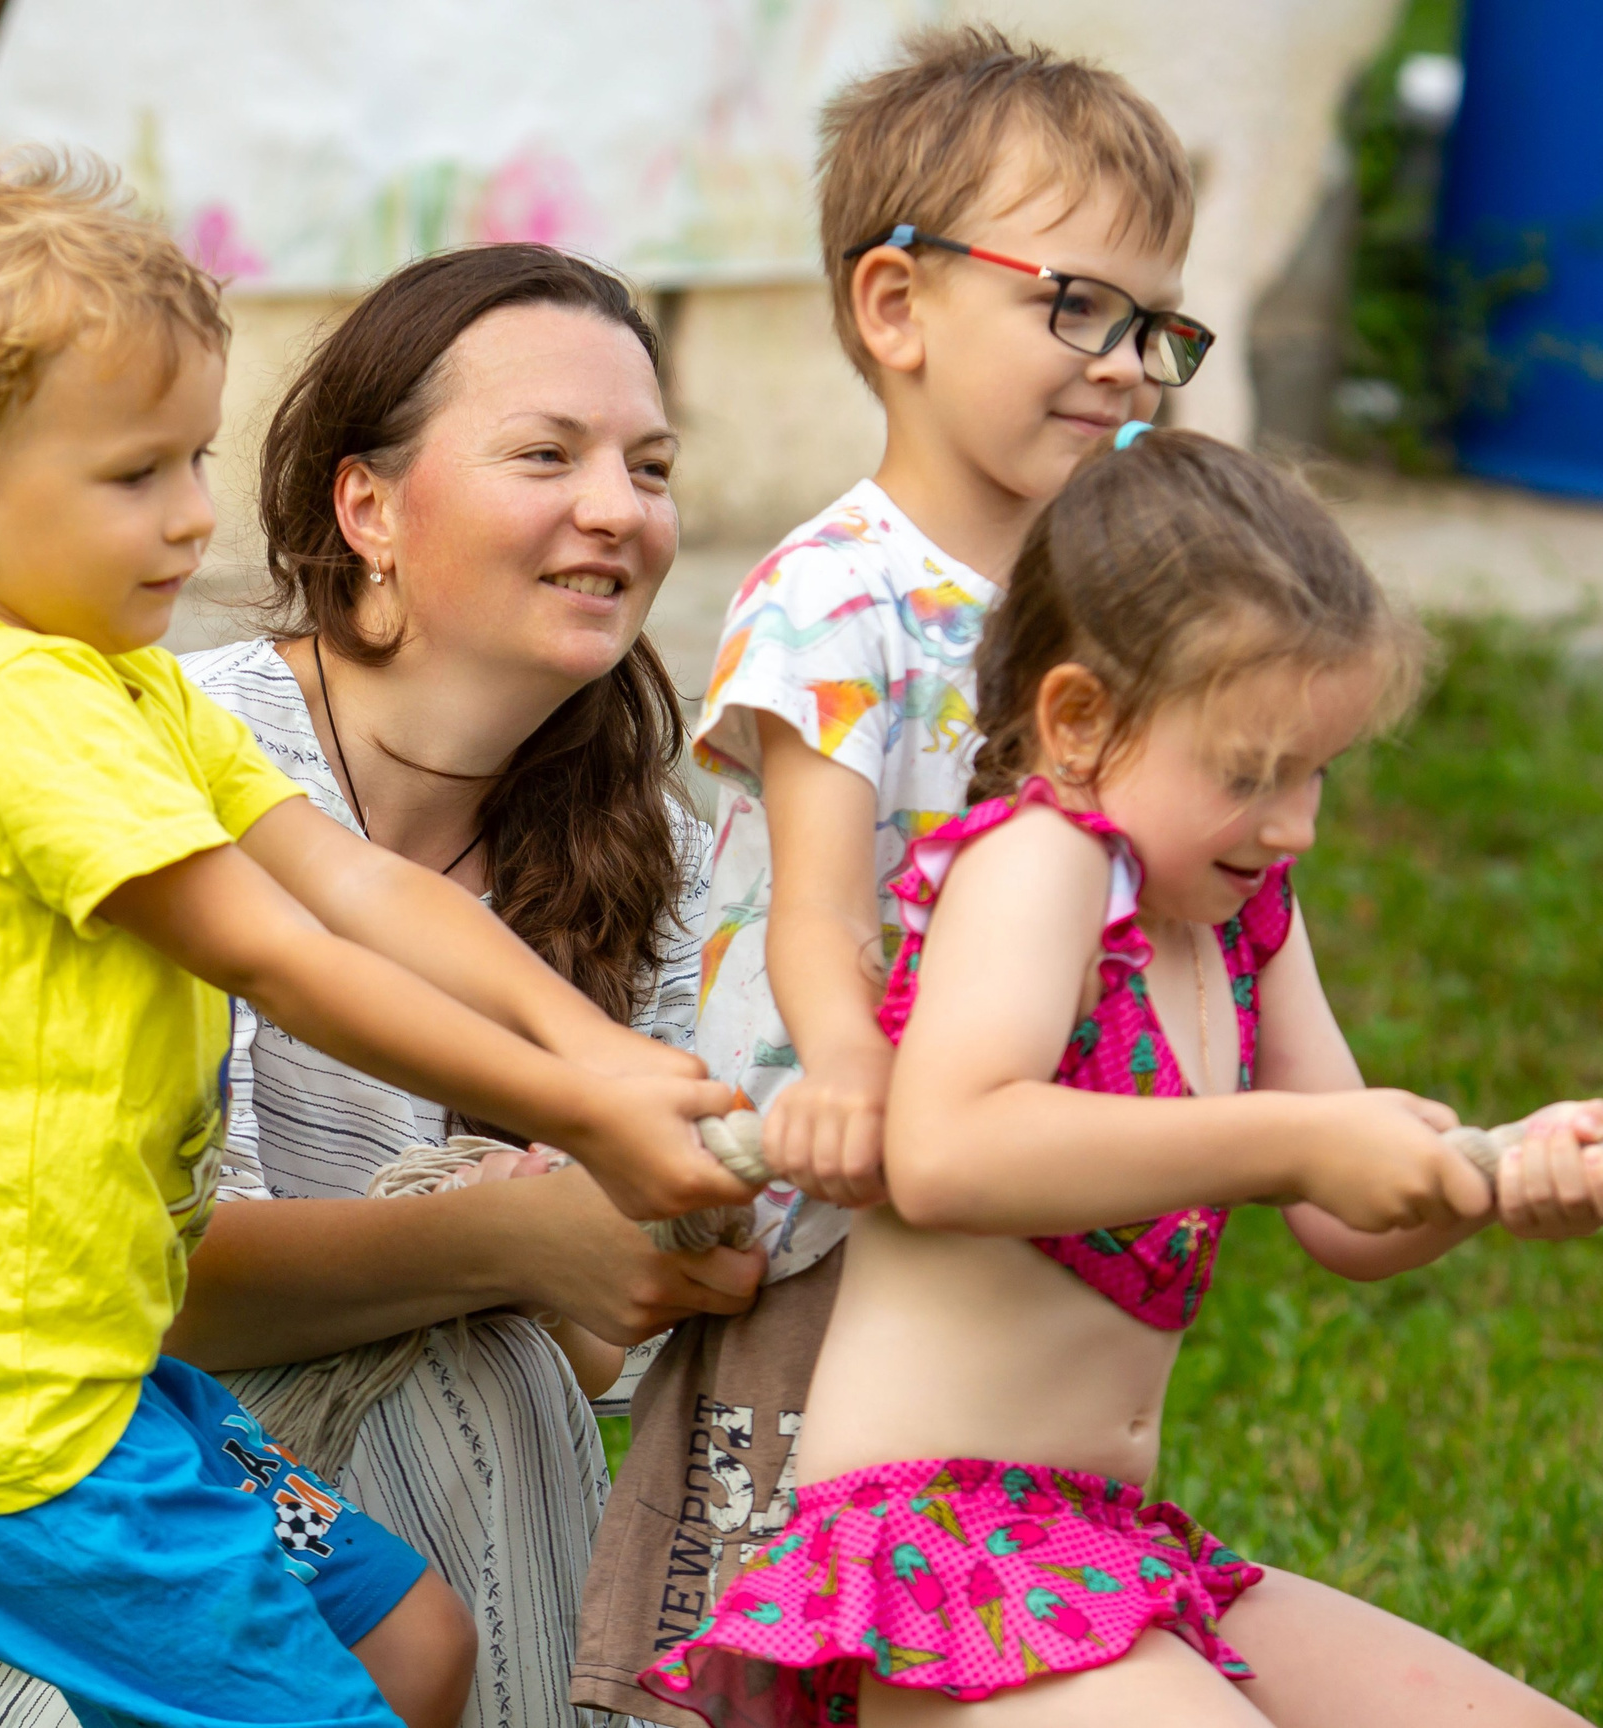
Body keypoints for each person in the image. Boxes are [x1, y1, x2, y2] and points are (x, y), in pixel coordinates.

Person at [0, 153, 755, 1728]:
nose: (190, 518)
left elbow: (368, 893)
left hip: (115, 1400)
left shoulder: (137, 690)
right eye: (136, 477)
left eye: (194, 461)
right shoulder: (5, 705)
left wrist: (606, 1056)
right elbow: (283, 951)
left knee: (413, 1648)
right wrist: (581, 1129)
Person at [639, 427, 1603, 1727]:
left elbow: (1345, 1210)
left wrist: (1499, 1179)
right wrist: (1285, 1144)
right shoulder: (1039, 861)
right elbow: (948, 1150)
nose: (1297, 826)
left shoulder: (1242, 919)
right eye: (1251, 773)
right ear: (1080, 721)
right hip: (936, 1554)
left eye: (1317, 770)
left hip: (1109, 1552)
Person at [579, 30, 1204, 1716]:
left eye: (1155, 327)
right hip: (833, 1191)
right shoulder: (841, 594)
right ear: (896, 308)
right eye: (1076, 306)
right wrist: (857, 1085)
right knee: (785, 1578)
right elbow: (814, 905)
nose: (1128, 366)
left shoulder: (1121, 596)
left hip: (1016, 1157)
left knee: (996, 1541)